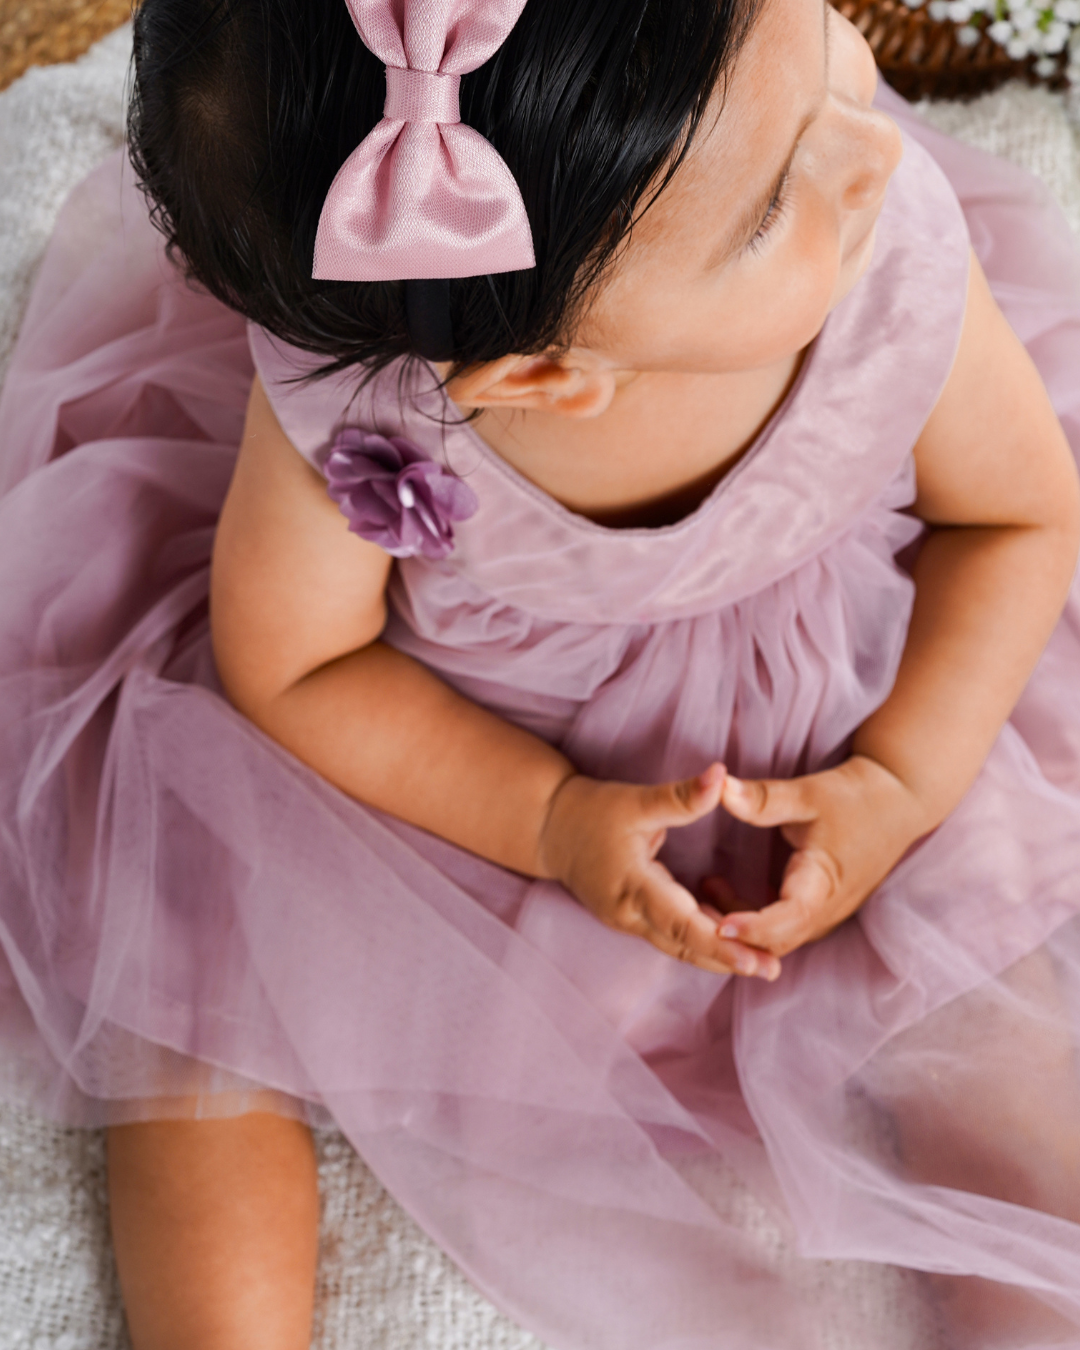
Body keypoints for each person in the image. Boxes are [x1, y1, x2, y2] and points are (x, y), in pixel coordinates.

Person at [2, 0, 1080, 1343]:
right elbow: (297, 670)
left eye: (819, 46)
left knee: (987, 1009)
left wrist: (899, 783)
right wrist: (546, 815)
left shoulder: (887, 249)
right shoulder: (379, 416)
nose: (870, 154)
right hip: (467, 743)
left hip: (846, 708)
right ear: (545, 378)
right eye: (770, 203)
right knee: (199, 961)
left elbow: (1018, 516)